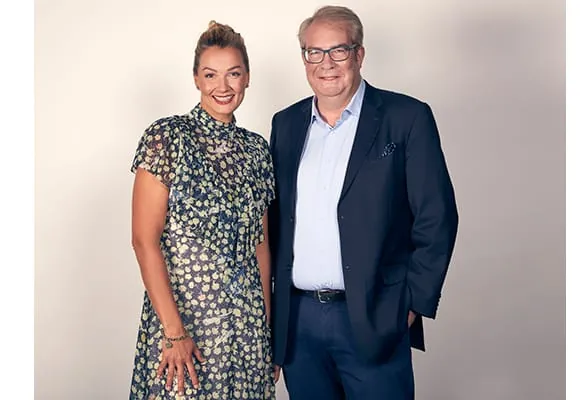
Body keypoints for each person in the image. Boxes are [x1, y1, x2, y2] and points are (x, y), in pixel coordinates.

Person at [268, 5, 459, 399]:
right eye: (314, 52)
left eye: (338, 50)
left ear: (359, 54)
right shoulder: (284, 124)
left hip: (374, 316)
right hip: (298, 323)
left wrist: (411, 303)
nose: (326, 63)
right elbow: (274, 219)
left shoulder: (406, 117)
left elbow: (436, 215)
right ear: (304, 58)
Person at [129, 21, 276, 399]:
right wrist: (174, 332)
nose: (222, 86)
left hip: (247, 332)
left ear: (247, 78)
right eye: (211, 75)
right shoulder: (167, 137)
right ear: (196, 78)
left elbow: (261, 247)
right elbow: (144, 241)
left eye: (233, 74)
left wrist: (268, 331)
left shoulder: (257, 150)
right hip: (185, 328)